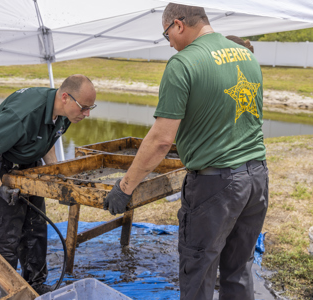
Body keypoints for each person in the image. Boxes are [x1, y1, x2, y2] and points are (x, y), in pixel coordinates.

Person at [103, 4, 268, 300]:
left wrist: (124, 187)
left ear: (179, 25)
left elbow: (161, 141)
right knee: (239, 268)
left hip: (216, 184)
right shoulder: (246, 55)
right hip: (256, 177)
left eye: (167, 33)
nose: (168, 42)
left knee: (198, 272)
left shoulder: (183, 63)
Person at [0, 74, 96, 296]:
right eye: (84, 108)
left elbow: (48, 139)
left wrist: (55, 174)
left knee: (35, 226)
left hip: (28, 163)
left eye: (91, 108)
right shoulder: (25, 113)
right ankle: (10, 291)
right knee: (6, 233)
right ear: (66, 97)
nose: (87, 114)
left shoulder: (65, 114)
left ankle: (36, 284)